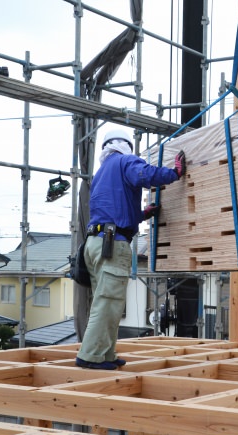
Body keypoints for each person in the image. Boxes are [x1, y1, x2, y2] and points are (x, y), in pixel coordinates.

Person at [75, 129, 185, 370]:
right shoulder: (125, 161)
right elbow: (143, 174)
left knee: (106, 301)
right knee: (109, 302)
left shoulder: (102, 173)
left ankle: (105, 354)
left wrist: (142, 214)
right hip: (111, 244)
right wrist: (174, 173)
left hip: (95, 244)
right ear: (124, 146)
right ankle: (90, 356)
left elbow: (114, 207)